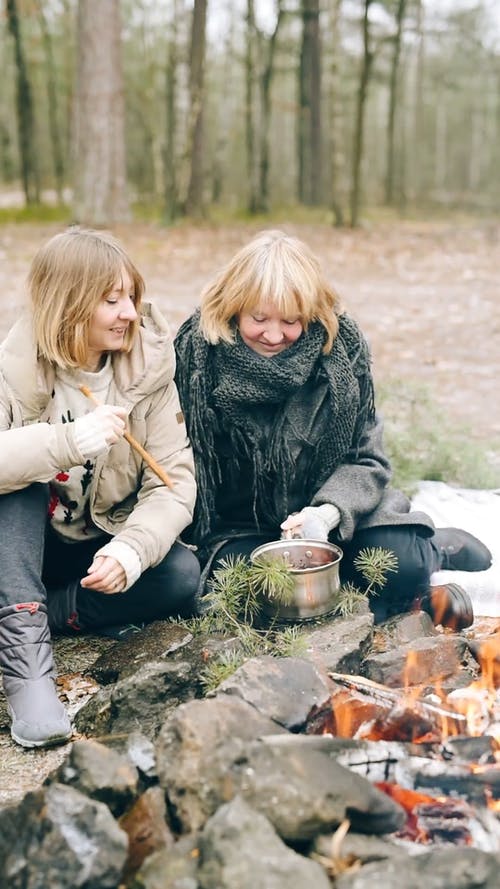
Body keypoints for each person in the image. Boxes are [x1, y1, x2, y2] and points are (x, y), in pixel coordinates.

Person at [174, 229, 491, 631]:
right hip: (245, 531)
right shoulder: (195, 360)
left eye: (291, 321)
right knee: (246, 587)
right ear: (233, 307)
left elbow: (367, 461)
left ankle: (431, 550)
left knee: (400, 559)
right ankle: (402, 602)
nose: (274, 336)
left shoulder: (341, 356)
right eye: (259, 318)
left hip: (338, 521)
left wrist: (325, 514)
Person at [0, 227, 199, 749]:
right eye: (112, 300)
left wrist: (132, 550)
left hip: (93, 549)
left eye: (131, 297)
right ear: (68, 305)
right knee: (17, 486)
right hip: (22, 549)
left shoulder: (147, 374)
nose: (130, 313)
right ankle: (28, 675)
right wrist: (64, 441)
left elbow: (173, 482)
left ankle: (58, 612)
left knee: (179, 574)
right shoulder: (13, 370)